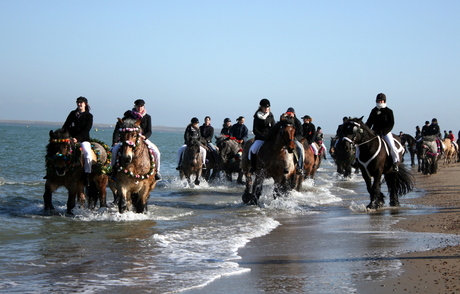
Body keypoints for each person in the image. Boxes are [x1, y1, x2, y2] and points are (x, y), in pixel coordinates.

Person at [111, 99, 162, 181]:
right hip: (129, 139)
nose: (140, 108)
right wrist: (115, 142)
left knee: (156, 152)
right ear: (135, 106)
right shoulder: (128, 116)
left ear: (144, 107)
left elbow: (149, 131)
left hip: (142, 139)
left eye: (141, 106)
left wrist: (144, 137)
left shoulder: (147, 117)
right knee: (114, 150)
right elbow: (118, 129)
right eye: (138, 106)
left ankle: (157, 172)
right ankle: (113, 169)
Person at [62, 96, 93, 186]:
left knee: (87, 155)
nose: (79, 104)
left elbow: (87, 129)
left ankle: (86, 175)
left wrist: (78, 138)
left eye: (81, 102)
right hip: (70, 139)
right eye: (78, 102)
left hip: (83, 140)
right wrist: (65, 136)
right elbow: (66, 126)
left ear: (85, 104)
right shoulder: (72, 113)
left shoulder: (89, 116)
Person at [365, 93, 400, 172]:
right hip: (374, 132)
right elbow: (369, 122)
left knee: (392, 146)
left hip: (385, 132)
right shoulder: (373, 111)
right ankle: (357, 162)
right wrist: (366, 130)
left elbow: (391, 123)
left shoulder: (389, 111)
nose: (380, 102)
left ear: (384, 101)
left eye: (381, 101)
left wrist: (383, 132)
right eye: (378, 100)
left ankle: (396, 162)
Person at [248, 98, 275, 173]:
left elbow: (274, 127)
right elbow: (255, 130)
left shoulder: (271, 116)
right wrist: (262, 136)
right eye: (265, 107)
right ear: (261, 107)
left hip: (270, 138)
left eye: (267, 107)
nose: (266, 109)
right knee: (253, 149)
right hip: (260, 138)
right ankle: (253, 167)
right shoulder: (257, 116)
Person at [284, 107, 305, 172]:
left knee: (300, 148)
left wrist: (294, 139)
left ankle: (300, 166)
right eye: (288, 113)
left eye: (290, 113)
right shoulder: (285, 121)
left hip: (294, 139)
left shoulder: (297, 122)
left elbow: (300, 133)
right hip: (286, 139)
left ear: (294, 113)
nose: (289, 115)